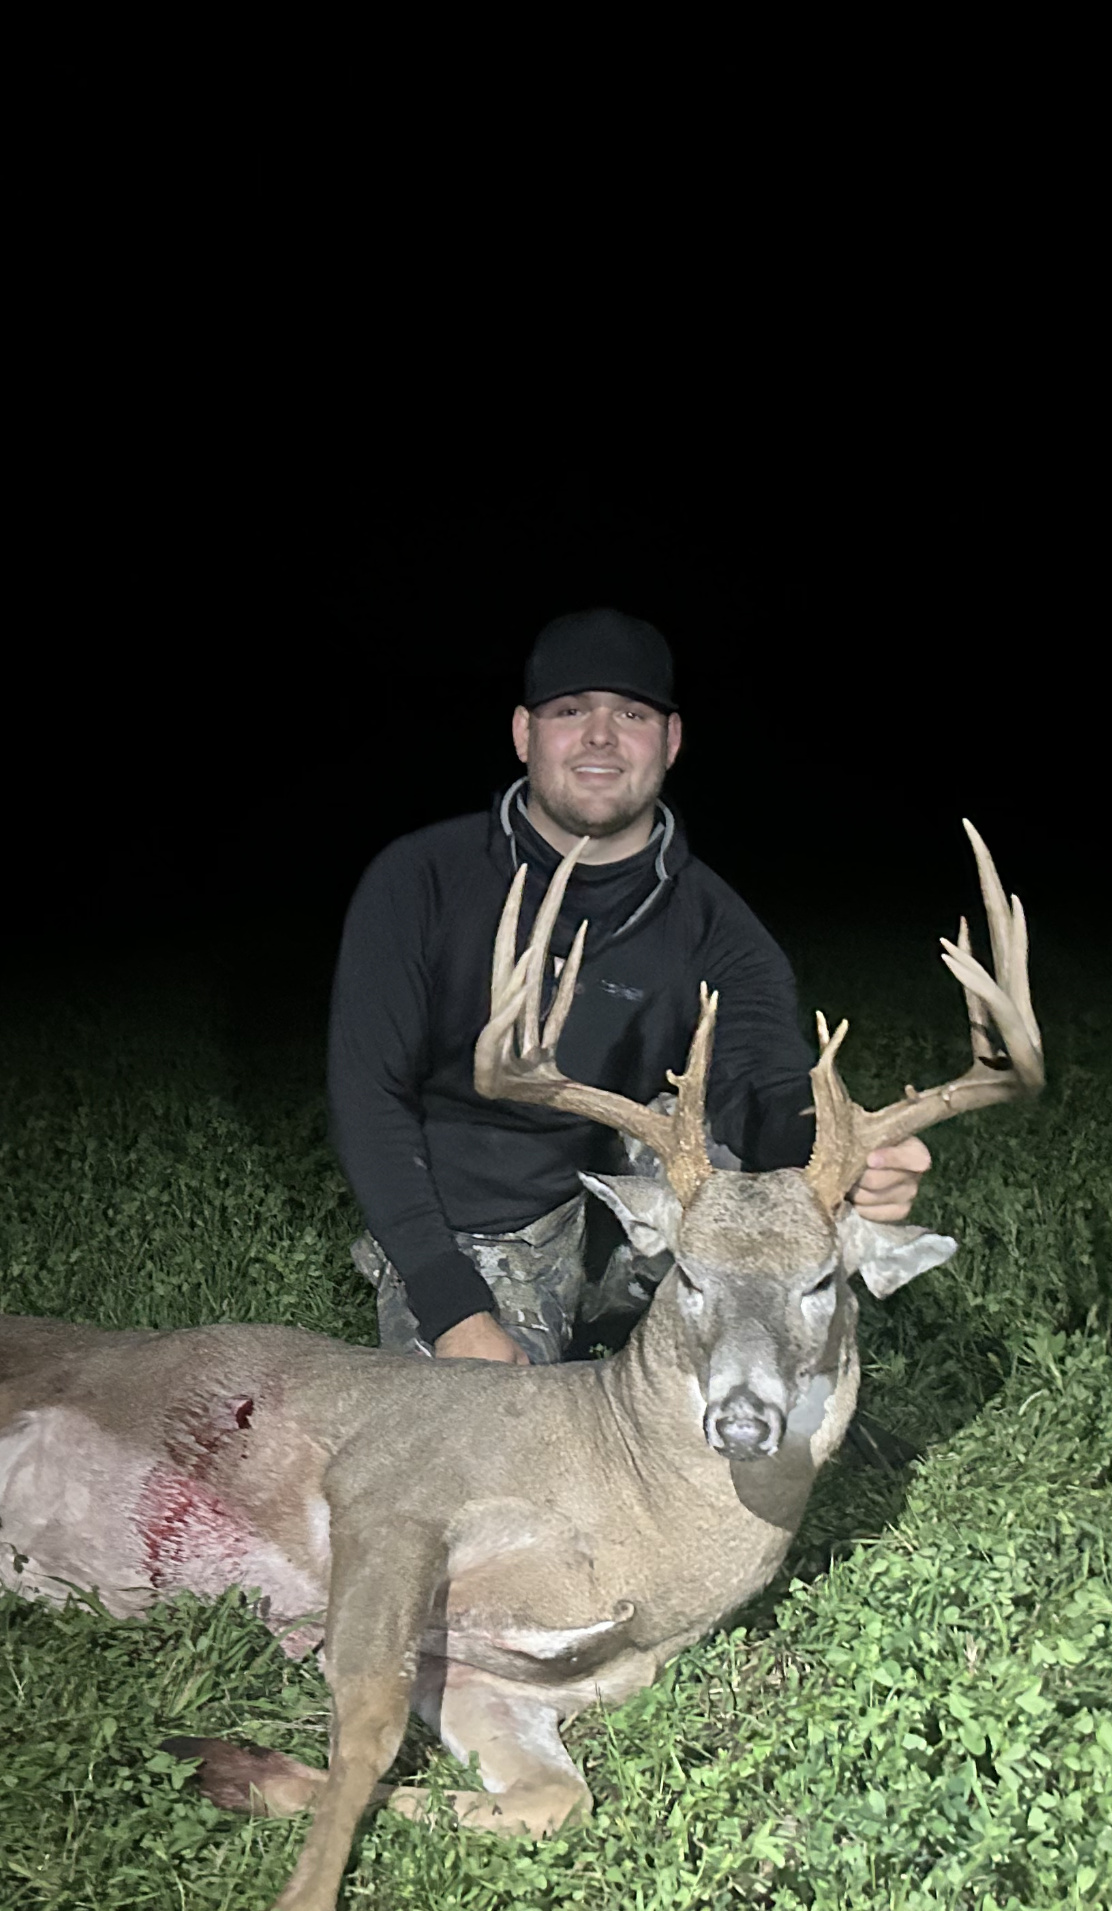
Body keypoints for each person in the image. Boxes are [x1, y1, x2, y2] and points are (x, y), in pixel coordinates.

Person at [327, 609, 930, 1459]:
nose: (601, 736)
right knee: (486, 1454)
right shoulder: (418, 882)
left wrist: (842, 1155)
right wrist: (451, 1304)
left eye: (633, 714)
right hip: (485, 1223)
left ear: (670, 740)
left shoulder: (714, 924)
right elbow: (368, 1103)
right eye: (570, 709)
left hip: (644, 1210)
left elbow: (761, 1082)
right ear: (523, 732)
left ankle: (767, 1369)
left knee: (733, 1170)